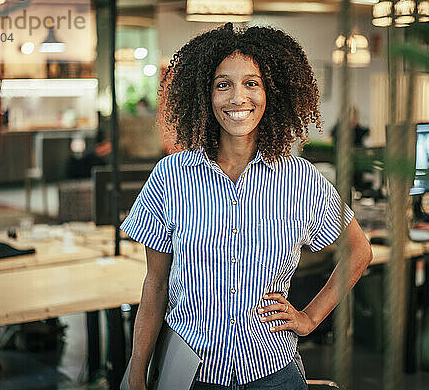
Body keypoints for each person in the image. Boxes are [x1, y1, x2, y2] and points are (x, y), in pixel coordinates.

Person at [120, 23, 373, 390]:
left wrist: (309, 318)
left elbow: (359, 250)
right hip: (193, 375)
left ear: (272, 93)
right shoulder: (172, 175)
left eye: (252, 83)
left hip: (274, 372)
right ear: (205, 96)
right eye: (223, 84)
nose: (238, 98)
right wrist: (137, 372)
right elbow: (156, 284)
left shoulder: (301, 180)